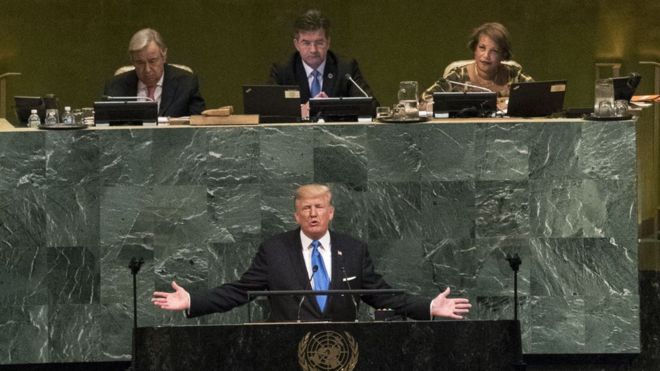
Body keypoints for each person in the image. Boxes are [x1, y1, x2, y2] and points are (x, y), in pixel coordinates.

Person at [152, 184, 471, 322]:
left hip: (344, 351)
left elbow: (382, 295)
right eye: (306, 208)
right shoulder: (275, 250)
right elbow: (240, 291)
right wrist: (192, 301)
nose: (313, 214)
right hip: (288, 352)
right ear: (296, 216)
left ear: (331, 212)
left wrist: (428, 306)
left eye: (319, 207)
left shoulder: (353, 250)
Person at [268, 9, 379, 118]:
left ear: (328, 42)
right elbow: (267, 110)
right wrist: (302, 110)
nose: (313, 50)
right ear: (296, 44)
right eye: (306, 43)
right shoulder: (283, 70)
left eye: (319, 43)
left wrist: (331, 107)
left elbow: (372, 107)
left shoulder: (346, 68)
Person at [420, 22, 533, 110]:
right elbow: (426, 98)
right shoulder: (459, 75)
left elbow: (538, 97)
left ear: (503, 55)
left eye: (494, 51)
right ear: (475, 49)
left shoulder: (514, 74)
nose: (486, 56)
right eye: (482, 48)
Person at [104, 28, 206, 117]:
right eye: (140, 63)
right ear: (132, 61)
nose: (147, 69)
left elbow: (198, 127)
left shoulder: (186, 84)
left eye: (152, 61)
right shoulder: (115, 85)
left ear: (164, 56)